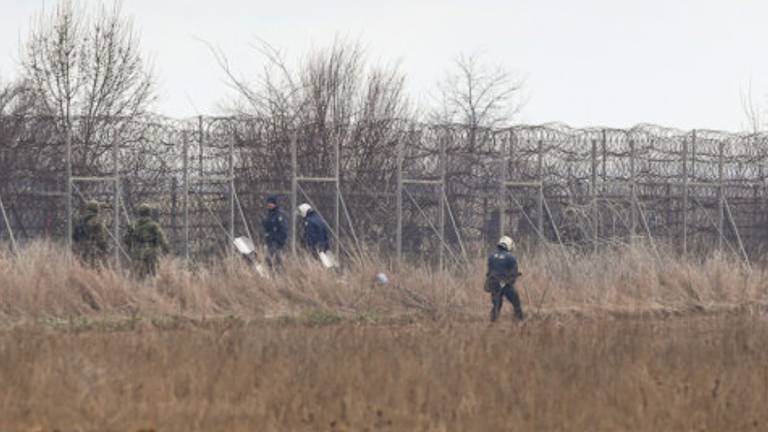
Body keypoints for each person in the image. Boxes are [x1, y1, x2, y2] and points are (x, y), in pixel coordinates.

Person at [485, 235, 524, 322]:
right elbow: (513, 274)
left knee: (496, 305)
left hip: (494, 284)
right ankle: (519, 322)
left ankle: (493, 324)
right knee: (516, 303)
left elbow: (489, 272)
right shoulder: (511, 258)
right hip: (505, 284)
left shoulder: (491, 256)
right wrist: (517, 274)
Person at [124, 203, 169, 277]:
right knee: (154, 275)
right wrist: (167, 250)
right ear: (149, 213)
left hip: (138, 254)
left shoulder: (134, 225)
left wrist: (130, 232)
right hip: (151, 253)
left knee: (138, 277)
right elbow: (162, 239)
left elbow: (126, 240)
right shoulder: (153, 225)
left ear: (140, 213)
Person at [72, 201, 109, 267]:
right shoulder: (97, 220)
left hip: (81, 248)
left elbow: (74, 236)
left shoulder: (80, 220)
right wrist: (104, 247)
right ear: (96, 209)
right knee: (94, 269)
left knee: (82, 267)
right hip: (93, 249)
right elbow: (100, 237)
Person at [262, 194, 287, 269]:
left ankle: (278, 274)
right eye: (268, 203)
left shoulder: (279, 215)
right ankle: (271, 273)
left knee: (275, 259)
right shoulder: (269, 215)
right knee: (269, 259)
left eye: (271, 203)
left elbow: (283, 229)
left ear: (275, 204)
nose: (269, 205)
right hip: (269, 241)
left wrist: (280, 240)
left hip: (276, 241)